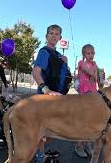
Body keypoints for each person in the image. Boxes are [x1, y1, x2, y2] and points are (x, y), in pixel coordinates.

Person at [32, 24, 68, 162]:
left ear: (60, 37)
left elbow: (64, 76)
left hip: (57, 98)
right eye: (51, 33)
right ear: (46, 36)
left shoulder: (59, 55)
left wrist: (66, 62)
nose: (53, 35)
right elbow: (36, 73)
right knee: (42, 131)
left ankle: (45, 151)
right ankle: (40, 156)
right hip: (44, 97)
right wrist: (45, 89)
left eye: (56, 34)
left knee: (52, 130)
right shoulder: (44, 52)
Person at [74, 44, 98, 158]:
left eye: (92, 53)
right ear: (84, 54)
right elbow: (91, 73)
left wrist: (96, 74)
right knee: (83, 122)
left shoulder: (94, 64)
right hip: (84, 95)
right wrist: (94, 73)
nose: (91, 55)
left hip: (93, 94)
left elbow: (97, 79)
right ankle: (78, 145)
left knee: (91, 122)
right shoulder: (81, 63)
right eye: (88, 53)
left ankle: (87, 144)